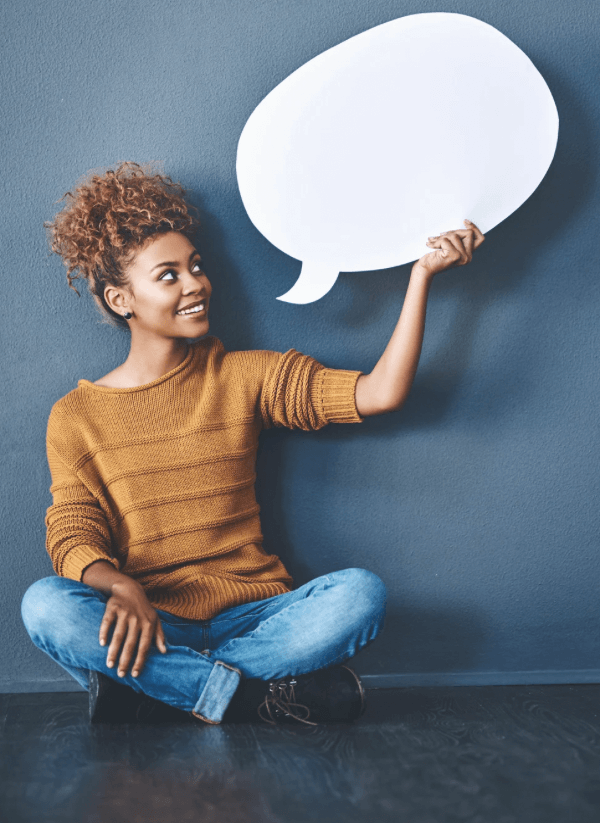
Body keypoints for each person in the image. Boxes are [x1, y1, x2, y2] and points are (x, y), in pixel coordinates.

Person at [20, 162, 485, 726]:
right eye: (168, 275)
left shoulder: (243, 376)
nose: (195, 284)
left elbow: (379, 393)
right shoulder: (75, 416)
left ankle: (163, 693)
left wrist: (422, 277)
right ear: (122, 299)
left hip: (258, 617)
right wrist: (119, 586)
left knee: (359, 595)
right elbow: (72, 531)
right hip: (151, 622)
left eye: (196, 266)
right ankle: (248, 696)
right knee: (45, 605)